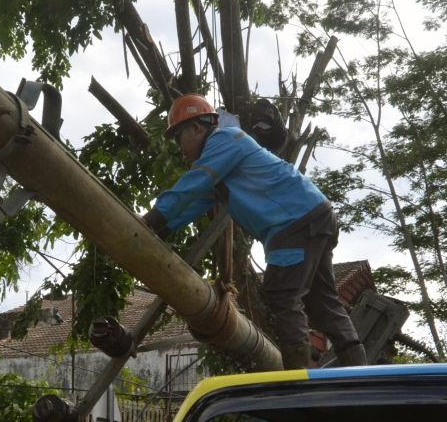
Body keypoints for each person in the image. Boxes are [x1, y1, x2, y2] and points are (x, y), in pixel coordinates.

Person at [142, 93, 367, 370]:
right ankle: (358, 368)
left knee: (282, 293)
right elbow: (191, 203)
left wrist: (150, 220)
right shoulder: (221, 162)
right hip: (312, 215)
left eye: (178, 138)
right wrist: (161, 228)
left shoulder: (224, 140)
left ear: (196, 128)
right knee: (321, 303)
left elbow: (193, 182)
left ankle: (297, 378)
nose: (179, 147)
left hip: (294, 221)